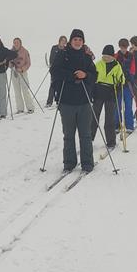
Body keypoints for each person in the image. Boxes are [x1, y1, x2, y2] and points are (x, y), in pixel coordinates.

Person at [49, 28, 97, 172]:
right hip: (67, 101)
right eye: (75, 39)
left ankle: (87, 163)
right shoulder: (62, 55)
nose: (77, 42)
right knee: (68, 135)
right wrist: (73, 76)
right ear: (71, 41)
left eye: (80, 40)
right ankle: (69, 163)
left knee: (86, 135)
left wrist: (85, 75)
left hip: (84, 101)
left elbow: (94, 75)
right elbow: (54, 71)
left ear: (83, 42)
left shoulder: (87, 57)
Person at [92, 45, 123, 150]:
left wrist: (120, 83)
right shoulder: (98, 64)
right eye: (104, 55)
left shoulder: (117, 66)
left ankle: (111, 141)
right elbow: (92, 77)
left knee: (109, 118)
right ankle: (89, 139)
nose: (106, 58)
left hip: (110, 92)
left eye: (108, 56)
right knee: (94, 116)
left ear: (112, 56)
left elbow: (121, 79)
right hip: (99, 91)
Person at [114, 38, 135, 133]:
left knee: (128, 105)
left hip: (128, 83)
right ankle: (117, 125)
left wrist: (130, 76)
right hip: (118, 84)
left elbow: (133, 69)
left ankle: (129, 125)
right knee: (117, 105)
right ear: (119, 46)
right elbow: (113, 69)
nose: (123, 49)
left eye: (125, 47)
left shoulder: (131, 56)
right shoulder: (116, 56)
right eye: (122, 47)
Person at [10, 37, 34, 114]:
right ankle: (20, 108)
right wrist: (10, 64)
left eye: (17, 42)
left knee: (25, 90)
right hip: (14, 72)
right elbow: (8, 62)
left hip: (22, 72)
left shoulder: (25, 51)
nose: (16, 44)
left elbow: (28, 63)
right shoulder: (11, 51)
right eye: (14, 42)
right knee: (17, 91)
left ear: (20, 43)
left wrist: (22, 69)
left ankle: (30, 107)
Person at [46, 36, 67, 107]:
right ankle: (49, 102)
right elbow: (51, 58)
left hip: (62, 71)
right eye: (62, 40)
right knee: (53, 85)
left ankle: (59, 101)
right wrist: (51, 66)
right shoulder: (54, 48)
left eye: (65, 41)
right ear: (59, 41)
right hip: (54, 70)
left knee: (61, 85)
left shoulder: (66, 49)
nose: (63, 42)